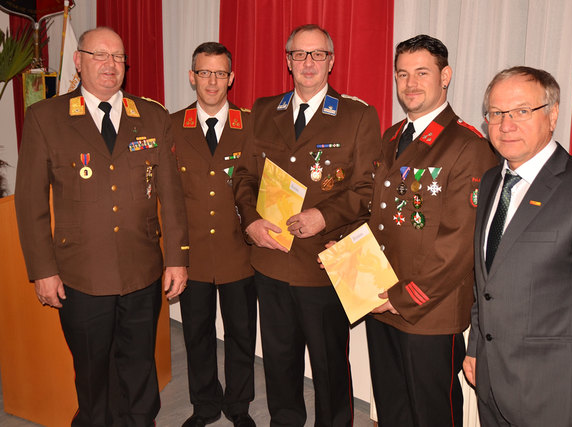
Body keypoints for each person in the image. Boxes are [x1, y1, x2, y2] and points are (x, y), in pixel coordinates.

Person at [14, 27, 189, 426]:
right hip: (81, 274)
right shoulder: (47, 117)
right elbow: (31, 202)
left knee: (140, 369)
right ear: (78, 60)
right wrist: (43, 270)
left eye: (118, 58)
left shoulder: (151, 116)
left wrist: (177, 259)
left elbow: (172, 196)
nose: (110, 65)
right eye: (99, 55)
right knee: (93, 374)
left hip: (141, 270)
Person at [463, 66, 572, 427]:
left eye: (521, 111)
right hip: (493, 385)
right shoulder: (491, 181)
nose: (506, 124)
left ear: (553, 114)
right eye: (496, 113)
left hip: (556, 399)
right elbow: (488, 282)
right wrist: (476, 348)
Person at [233, 24, 381, 426]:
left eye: (318, 54)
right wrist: (250, 222)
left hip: (326, 264)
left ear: (332, 61)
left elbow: (368, 189)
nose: (309, 62)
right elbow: (244, 176)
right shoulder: (264, 110)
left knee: (330, 365)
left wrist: (324, 215)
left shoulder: (357, 115)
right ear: (288, 61)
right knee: (279, 360)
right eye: (300, 54)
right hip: (271, 258)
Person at [365, 34, 496, 427]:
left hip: (428, 309)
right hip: (380, 298)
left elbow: (458, 243)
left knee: (431, 412)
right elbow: (381, 217)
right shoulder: (391, 137)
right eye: (402, 74)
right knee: (392, 406)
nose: (410, 84)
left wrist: (403, 297)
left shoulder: (467, 145)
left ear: (446, 76)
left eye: (422, 72)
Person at [171, 42, 256, 427]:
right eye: (204, 72)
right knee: (197, 336)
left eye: (220, 73)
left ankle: (238, 406)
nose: (212, 81)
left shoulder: (252, 125)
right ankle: (204, 405)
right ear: (192, 76)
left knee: (241, 336)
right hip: (193, 255)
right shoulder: (171, 125)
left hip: (240, 252)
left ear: (231, 78)